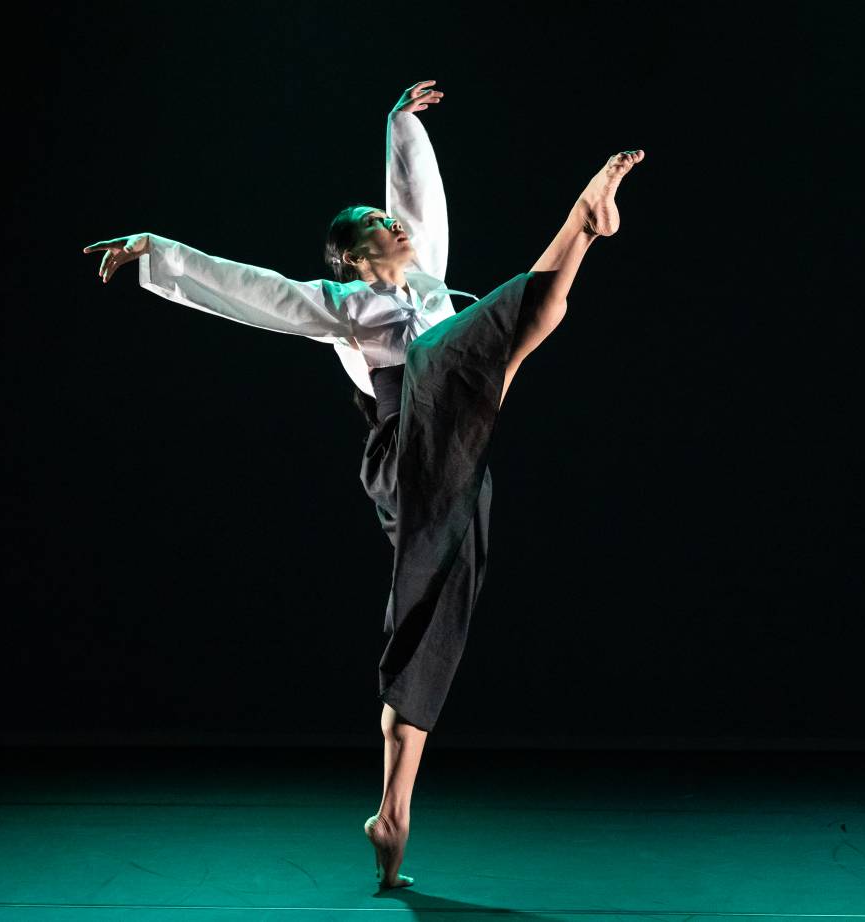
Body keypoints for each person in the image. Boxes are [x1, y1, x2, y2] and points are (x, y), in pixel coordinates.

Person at [83, 80, 642, 889]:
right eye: (380, 228)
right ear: (350, 256)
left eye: (392, 222)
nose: (398, 228)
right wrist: (156, 249)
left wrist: (400, 126)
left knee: (426, 623)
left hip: (456, 457)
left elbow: (418, 208)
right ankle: (582, 226)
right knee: (455, 346)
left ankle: (392, 815)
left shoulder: (426, 280)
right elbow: (253, 291)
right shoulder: (346, 303)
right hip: (405, 446)